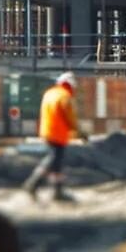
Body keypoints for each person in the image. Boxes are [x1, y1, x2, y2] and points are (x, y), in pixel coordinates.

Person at [23, 72, 86, 201]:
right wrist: (79, 131)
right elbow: (69, 115)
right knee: (53, 160)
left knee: (56, 162)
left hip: (47, 131)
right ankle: (34, 183)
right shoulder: (64, 96)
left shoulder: (50, 93)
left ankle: (57, 190)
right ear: (69, 85)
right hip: (58, 133)